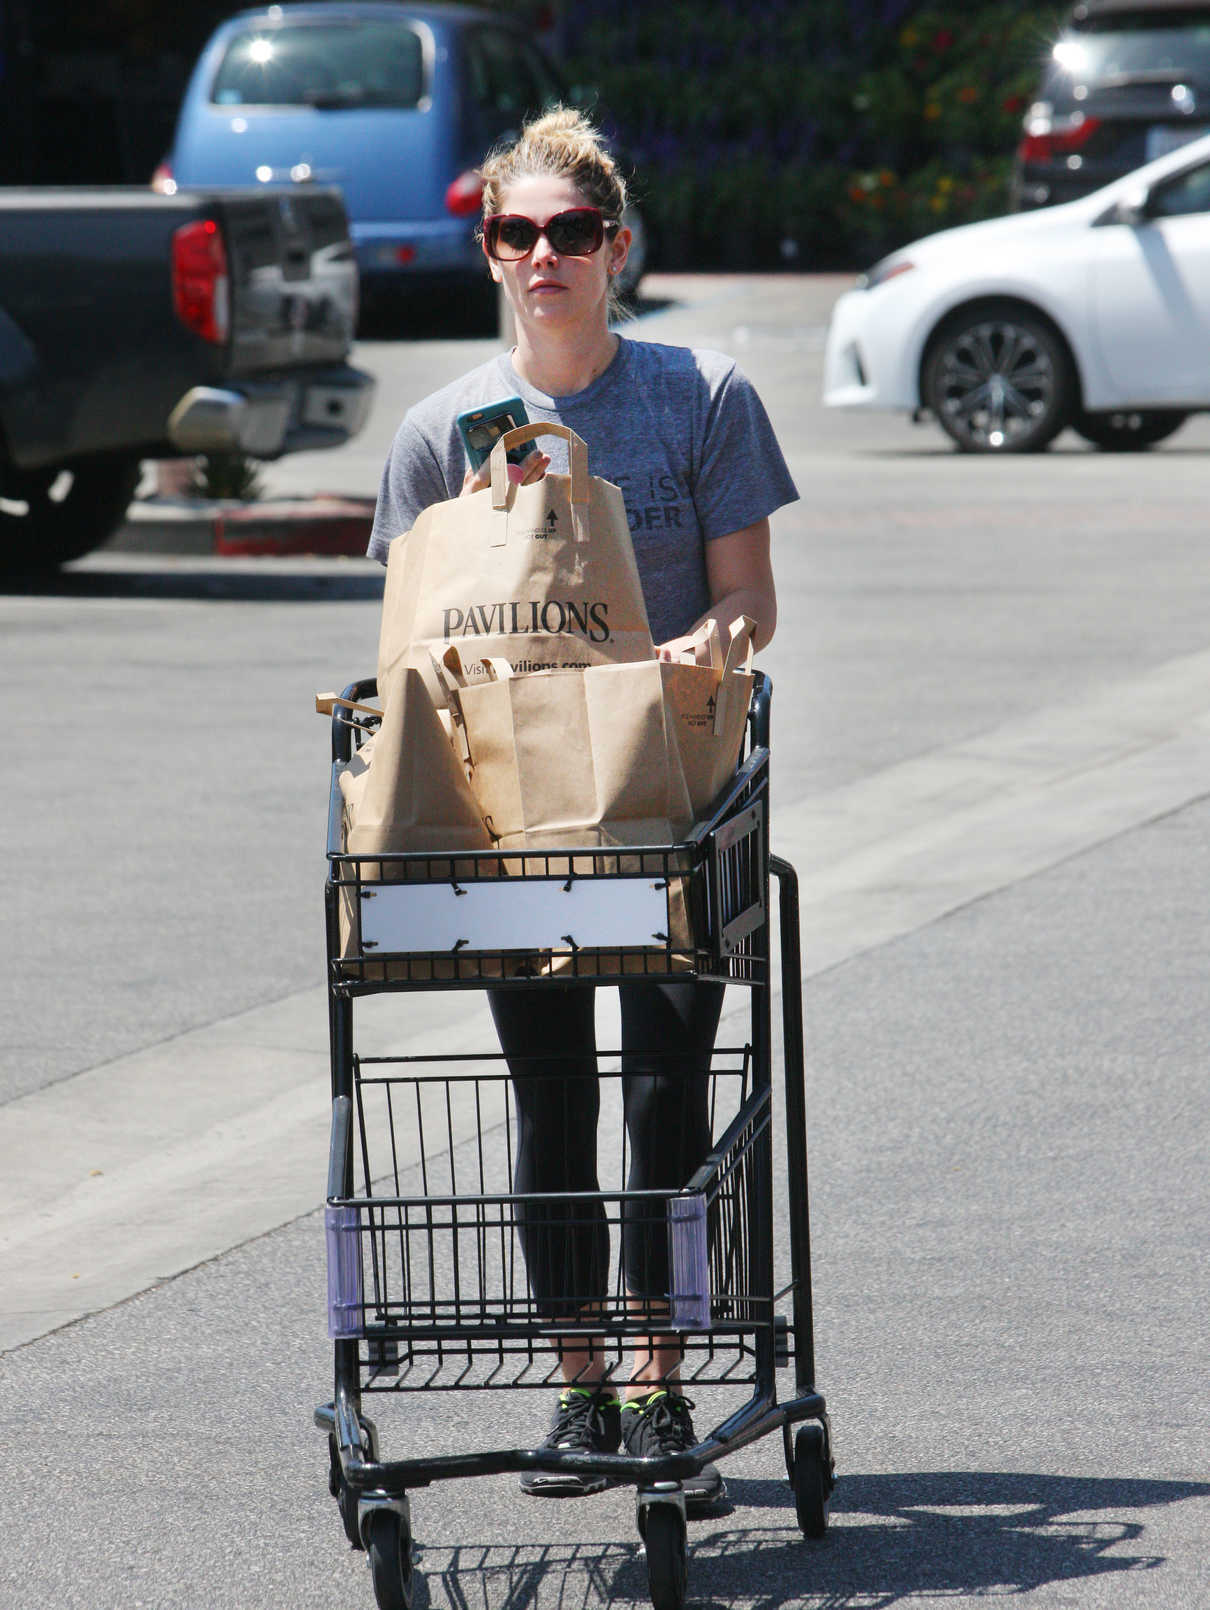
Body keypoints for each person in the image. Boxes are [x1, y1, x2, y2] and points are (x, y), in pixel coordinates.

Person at [368, 105, 797, 1510]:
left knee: (668, 1089)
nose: (543, 256)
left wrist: (691, 658)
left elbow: (750, 600)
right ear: (487, 253)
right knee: (548, 1091)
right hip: (517, 813)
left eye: (569, 233)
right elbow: (411, 630)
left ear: (614, 247)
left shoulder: (699, 397)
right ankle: (576, 1389)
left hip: (670, 795)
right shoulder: (445, 433)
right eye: (515, 233)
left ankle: (657, 1379)